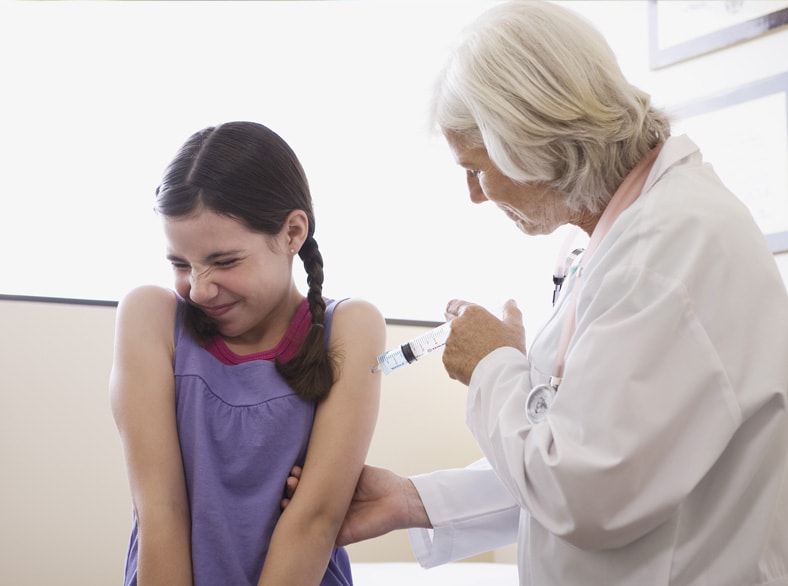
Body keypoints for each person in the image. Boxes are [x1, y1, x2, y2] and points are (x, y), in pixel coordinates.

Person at [284, 1, 788, 584]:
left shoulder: (668, 248)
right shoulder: (630, 238)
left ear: (529, 136)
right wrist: (412, 500)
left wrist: (496, 366)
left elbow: (585, 490)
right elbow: (584, 451)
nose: (475, 195)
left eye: (475, 169)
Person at [110, 120, 385, 586]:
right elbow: (161, 510)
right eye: (181, 263)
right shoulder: (150, 317)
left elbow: (315, 519)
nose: (199, 289)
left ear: (293, 233)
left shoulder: (351, 327)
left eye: (224, 261)